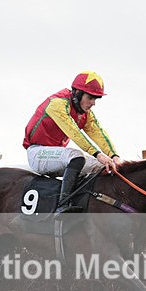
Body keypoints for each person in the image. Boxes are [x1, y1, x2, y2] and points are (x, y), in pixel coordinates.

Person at [23, 71, 122, 215]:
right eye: (90, 97)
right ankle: (63, 205)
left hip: (56, 158)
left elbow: (99, 134)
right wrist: (98, 154)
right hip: (37, 153)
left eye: (95, 99)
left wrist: (114, 156)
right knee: (76, 155)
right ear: (77, 93)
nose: (93, 103)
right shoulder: (57, 104)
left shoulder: (85, 114)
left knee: (102, 167)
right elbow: (74, 132)